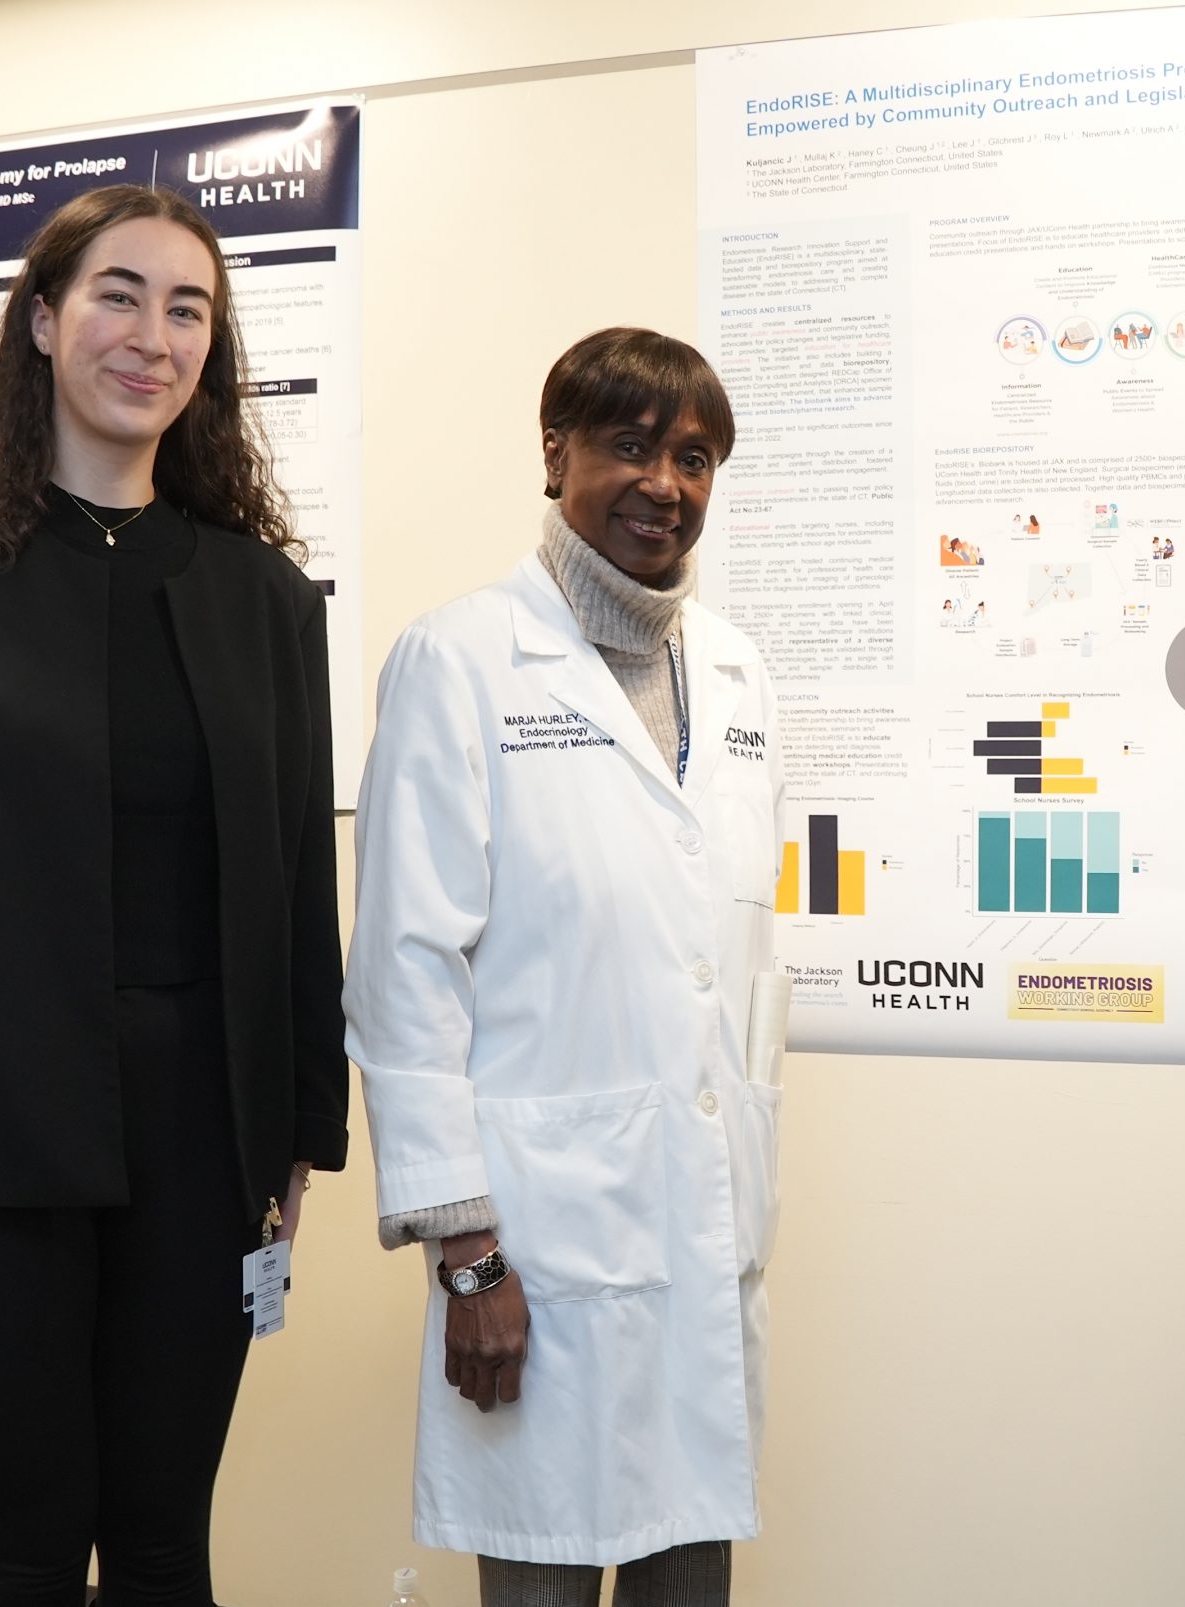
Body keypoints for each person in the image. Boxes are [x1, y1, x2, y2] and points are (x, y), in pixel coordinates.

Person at [0, 184, 347, 1605]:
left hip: (204, 1146)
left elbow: (293, 878)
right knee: (27, 1552)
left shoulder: (264, 597)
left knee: (164, 1548)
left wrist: (296, 1142)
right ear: (41, 320)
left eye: (188, 307)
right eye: (117, 294)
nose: (152, 335)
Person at [347, 327, 784, 1606]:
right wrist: (465, 1254)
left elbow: (731, 958)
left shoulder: (743, 676)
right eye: (631, 446)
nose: (664, 481)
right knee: (540, 1576)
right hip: (536, 1240)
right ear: (557, 455)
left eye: (693, 456)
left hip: (702, 1217)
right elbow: (404, 976)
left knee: (687, 1566)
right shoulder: (461, 660)